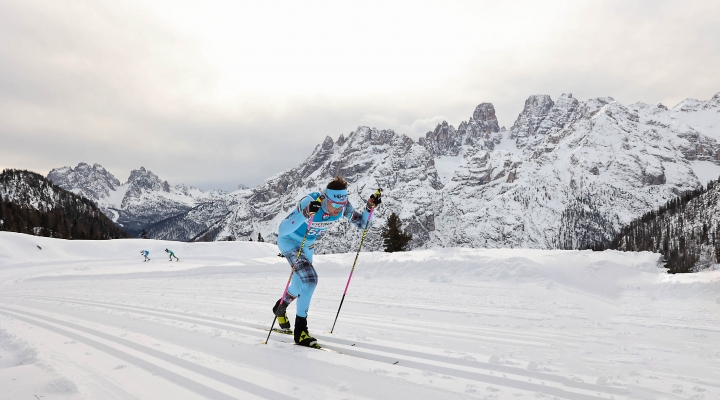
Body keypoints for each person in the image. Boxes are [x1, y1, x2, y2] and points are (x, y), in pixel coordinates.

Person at [273, 176, 381, 347]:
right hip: (289, 241)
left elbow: (363, 224)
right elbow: (283, 229)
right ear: (326, 198)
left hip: (307, 245)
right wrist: (305, 214)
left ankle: (280, 307)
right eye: (335, 205)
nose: (338, 209)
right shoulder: (310, 201)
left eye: (342, 204)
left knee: (298, 284)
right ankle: (300, 331)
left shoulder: (343, 206)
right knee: (310, 280)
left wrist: (369, 208)